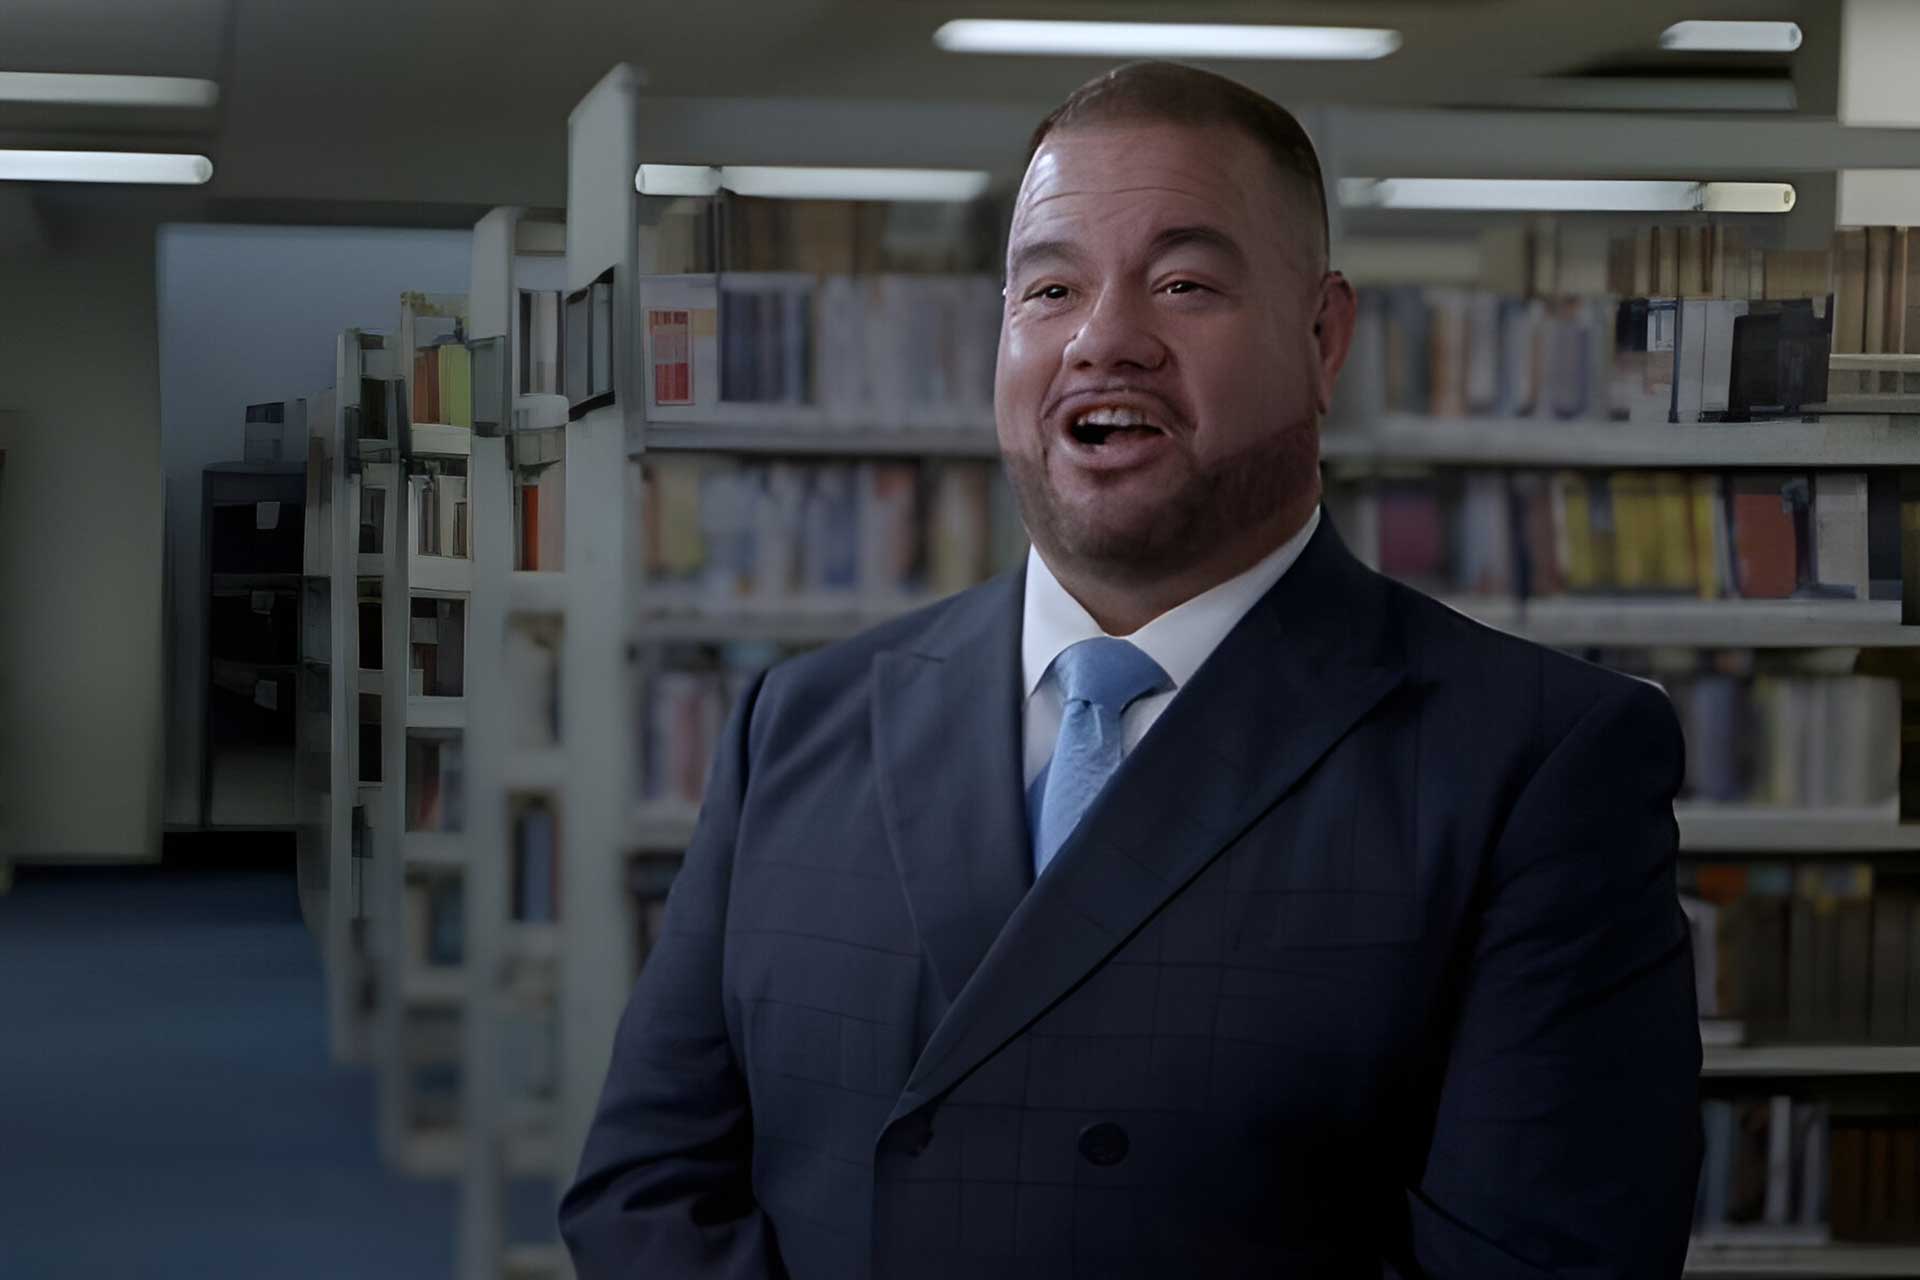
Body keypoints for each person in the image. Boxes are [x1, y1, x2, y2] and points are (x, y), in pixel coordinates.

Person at [560, 60, 1702, 1279]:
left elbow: (1542, 1261)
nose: (1105, 337)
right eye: (1049, 287)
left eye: (1184, 283)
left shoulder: (1536, 761)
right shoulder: (799, 719)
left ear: (1323, 339)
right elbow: (646, 1188)